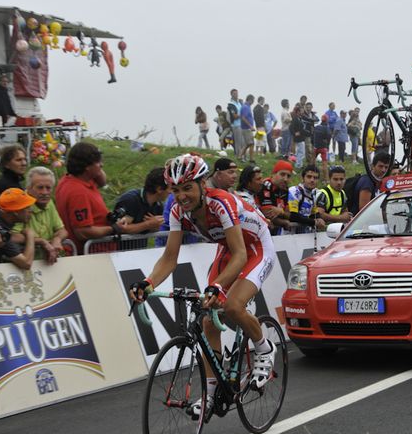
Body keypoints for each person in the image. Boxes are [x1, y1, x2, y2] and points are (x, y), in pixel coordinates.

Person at [130, 154, 277, 417]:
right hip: (229, 250)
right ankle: (210, 393)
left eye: (187, 188)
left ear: (202, 184)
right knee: (209, 318)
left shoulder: (221, 203)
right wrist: (148, 282)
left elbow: (241, 254)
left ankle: (264, 348)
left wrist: (218, 286)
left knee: (232, 305)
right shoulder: (177, 211)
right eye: (175, 190)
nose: (181, 196)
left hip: (255, 248)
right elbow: (169, 258)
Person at [55, 142, 132, 254]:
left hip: (95, 252)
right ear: (87, 167)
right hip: (91, 255)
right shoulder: (78, 192)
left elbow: (102, 181)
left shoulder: (71, 180)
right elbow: (82, 232)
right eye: (98, 162)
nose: (102, 165)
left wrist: (95, 162)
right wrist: (114, 228)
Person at [12, 166, 68, 263]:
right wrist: (41, 242)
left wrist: (57, 239)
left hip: (47, 261)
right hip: (23, 263)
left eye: (48, 188)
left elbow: (62, 230)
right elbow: (13, 236)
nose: (45, 192)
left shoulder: (49, 202)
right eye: (40, 187)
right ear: (28, 188)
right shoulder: (20, 204)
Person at [114, 167, 168, 241]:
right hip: (119, 250)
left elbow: (155, 228)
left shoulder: (158, 205)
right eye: (170, 187)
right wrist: (148, 224)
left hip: (139, 250)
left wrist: (155, 225)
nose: (171, 192)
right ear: (159, 189)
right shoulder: (131, 200)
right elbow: (121, 228)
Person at [0, 188, 35, 268]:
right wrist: (30, 235)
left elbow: (13, 237)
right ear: (16, 212)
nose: (31, 211)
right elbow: (26, 263)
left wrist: (42, 241)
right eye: (27, 208)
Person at [256, 160, 293, 233]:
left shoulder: (286, 190)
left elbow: (290, 214)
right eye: (282, 174)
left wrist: (281, 212)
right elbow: (267, 214)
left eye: (288, 176)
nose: (285, 179)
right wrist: (284, 222)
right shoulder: (265, 186)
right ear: (273, 174)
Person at [349, 151, 392, 216]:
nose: (383, 170)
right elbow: (364, 210)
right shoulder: (367, 182)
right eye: (380, 166)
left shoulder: (379, 180)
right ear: (372, 166)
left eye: (386, 167)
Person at [287, 165, 326, 233]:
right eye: (309, 177)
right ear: (302, 178)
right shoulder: (295, 191)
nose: (312, 180)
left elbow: (314, 214)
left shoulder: (313, 194)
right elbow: (293, 216)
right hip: (289, 235)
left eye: (315, 178)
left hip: (303, 235)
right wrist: (313, 222)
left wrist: (319, 219)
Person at [313, 115, 331, 184]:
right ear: (327, 120)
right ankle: (326, 180)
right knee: (324, 164)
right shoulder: (326, 128)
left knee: (312, 163)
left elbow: (313, 135)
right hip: (323, 148)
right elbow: (329, 137)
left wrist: (314, 143)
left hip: (316, 147)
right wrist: (327, 146)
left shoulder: (317, 127)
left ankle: (313, 177)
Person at [289, 104, 306, 170]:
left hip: (301, 137)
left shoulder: (300, 118)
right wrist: (294, 133)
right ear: (298, 112)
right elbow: (291, 127)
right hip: (298, 138)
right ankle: (298, 165)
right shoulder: (295, 119)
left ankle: (299, 164)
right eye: (301, 111)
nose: (302, 112)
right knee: (301, 152)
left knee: (300, 151)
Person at [239, 94, 256, 163]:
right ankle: (250, 159)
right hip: (246, 128)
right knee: (251, 143)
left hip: (247, 128)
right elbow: (243, 118)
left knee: (249, 143)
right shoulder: (245, 107)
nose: (253, 102)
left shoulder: (247, 107)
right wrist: (250, 126)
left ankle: (241, 156)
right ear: (250, 100)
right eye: (253, 100)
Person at [227, 89, 243, 157]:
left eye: (237, 93)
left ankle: (242, 155)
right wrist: (242, 116)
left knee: (243, 142)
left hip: (242, 124)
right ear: (231, 95)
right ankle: (238, 155)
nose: (236, 95)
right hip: (236, 125)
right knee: (238, 141)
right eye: (234, 93)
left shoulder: (239, 103)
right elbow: (234, 116)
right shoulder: (231, 104)